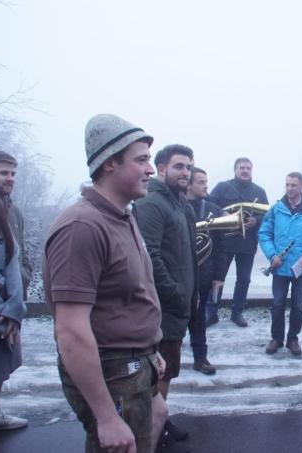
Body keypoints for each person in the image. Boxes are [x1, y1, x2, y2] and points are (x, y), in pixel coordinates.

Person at [43, 113, 189, 453]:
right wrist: (107, 416)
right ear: (110, 163)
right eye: (142, 160)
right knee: (118, 445)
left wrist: (151, 351)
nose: (152, 170)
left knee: (158, 415)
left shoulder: (123, 214)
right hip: (112, 372)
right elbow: (71, 332)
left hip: (138, 362)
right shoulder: (82, 227)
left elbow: (131, 295)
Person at [133, 144, 199, 412]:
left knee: (168, 369)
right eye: (179, 166)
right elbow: (149, 257)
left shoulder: (180, 202)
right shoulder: (151, 202)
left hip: (177, 304)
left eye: (188, 166)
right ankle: (153, 432)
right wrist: (175, 293)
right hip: (163, 305)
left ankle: (159, 425)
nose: (186, 172)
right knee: (159, 372)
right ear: (161, 169)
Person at [0, 150, 32, 433]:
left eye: (13, 173)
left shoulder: (12, 209)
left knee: (1, 361)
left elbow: (17, 252)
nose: (10, 178)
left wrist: (21, 284)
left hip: (11, 300)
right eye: (4, 173)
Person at [259, 172, 302, 356]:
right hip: (279, 267)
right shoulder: (275, 209)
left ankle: (293, 339)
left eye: (294, 185)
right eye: (287, 185)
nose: (290, 189)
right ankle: (276, 338)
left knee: (298, 306)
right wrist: (272, 255)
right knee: (277, 304)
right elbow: (264, 234)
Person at [208, 157, 269, 327]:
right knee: (217, 277)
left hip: (247, 242)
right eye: (242, 167)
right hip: (224, 242)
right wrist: (224, 214)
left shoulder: (260, 191)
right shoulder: (222, 187)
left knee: (244, 279)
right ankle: (211, 312)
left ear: (252, 170)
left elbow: (268, 215)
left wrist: (255, 221)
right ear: (235, 170)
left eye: (248, 168)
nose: (245, 171)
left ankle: (237, 313)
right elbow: (209, 203)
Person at [186, 166, 225, 374]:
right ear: (189, 184)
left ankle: (200, 358)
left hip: (203, 274)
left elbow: (221, 247)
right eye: (201, 182)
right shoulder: (176, 206)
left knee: (199, 319)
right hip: (179, 275)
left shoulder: (213, 210)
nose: (205, 186)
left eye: (206, 182)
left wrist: (219, 275)